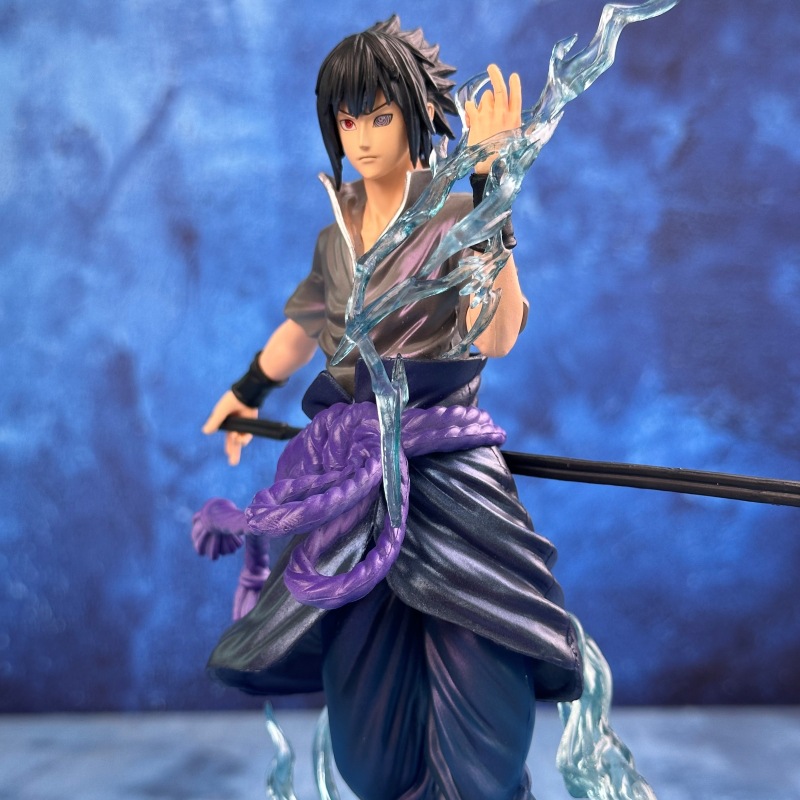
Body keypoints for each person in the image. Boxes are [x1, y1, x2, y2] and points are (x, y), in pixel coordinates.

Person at [201, 16, 582, 800]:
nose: (365, 137)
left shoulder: (456, 215)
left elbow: (500, 333)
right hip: (350, 482)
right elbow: (305, 327)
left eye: (380, 116)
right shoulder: (336, 233)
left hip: (449, 479)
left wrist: (493, 193)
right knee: (369, 753)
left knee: (485, 736)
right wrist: (247, 390)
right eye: (350, 121)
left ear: (415, 117)